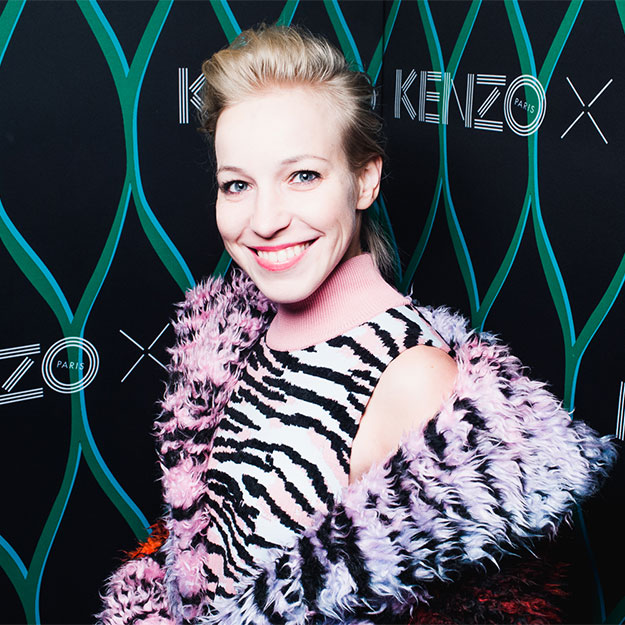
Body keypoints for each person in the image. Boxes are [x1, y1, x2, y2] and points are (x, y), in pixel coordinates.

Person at [97, 25, 615, 625]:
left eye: (303, 176)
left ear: (365, 179)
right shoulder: (229, 339)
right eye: (237, 185)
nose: (263, 220)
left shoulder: (412, 379)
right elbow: (206, 566)